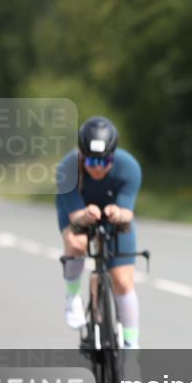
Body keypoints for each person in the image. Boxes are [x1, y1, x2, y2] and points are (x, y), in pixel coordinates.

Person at [55, 116, 143, 349]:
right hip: (79, 210)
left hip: (113, 213)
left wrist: (118, 214)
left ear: (114, 155)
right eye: (91, 161)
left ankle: (131, 349)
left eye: (105, 161)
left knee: (123, 281)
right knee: (77, 244)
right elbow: (76, 219)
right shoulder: (67, 169)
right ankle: (72, 297)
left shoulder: (129, 168)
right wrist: (86, 215)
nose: (98, 167)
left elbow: (128, 214)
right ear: (81, 155)